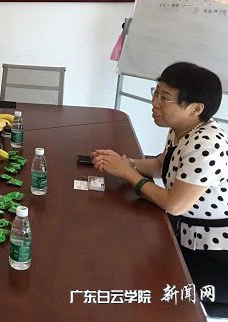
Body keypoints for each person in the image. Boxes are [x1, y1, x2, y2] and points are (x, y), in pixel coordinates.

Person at [92, 62, 228, 313]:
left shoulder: (207, 146)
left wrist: (128, 173)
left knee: (155, 287)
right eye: (156, 93)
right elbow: (160, 165)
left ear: (195, 108)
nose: (154, 103)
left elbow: (174, 204)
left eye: (164, 98)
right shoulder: (183, 130)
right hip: (187, 237)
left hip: (215, 255)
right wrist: (126, 163)